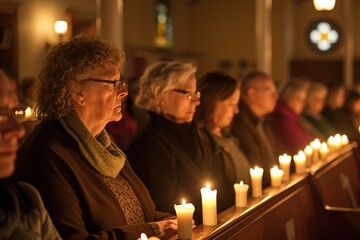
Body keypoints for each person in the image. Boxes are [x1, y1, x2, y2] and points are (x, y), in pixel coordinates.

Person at [14, 35, 176, 239]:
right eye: (113, 83)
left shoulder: (105, 145)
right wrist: (153, 229)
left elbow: (144, 213)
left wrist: (176, 220)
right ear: (77, 91)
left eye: (122, 82)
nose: (124, 92)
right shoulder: (45, 154)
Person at [126, 61, 207, 224]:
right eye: (189, 94)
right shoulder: (150, 145)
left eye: (196, 94)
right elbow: (161, 211)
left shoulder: (187, 134)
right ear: (160, 95)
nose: (196, 102)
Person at [0, 70, 61, 239]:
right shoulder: (45, 150)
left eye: (13, 111)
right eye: (0, 115)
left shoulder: (27, 200)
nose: (18, 131)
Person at [195, 71, 251, 212]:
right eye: (232, 103)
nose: (236, 110)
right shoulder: (200, 142)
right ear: (211, 101)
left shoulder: (230, 138)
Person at [231, 71, 283, 188]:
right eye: (270, 92)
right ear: (252, 93)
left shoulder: (265, 121)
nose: (276, 97)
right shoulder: (238, 123)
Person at [272, 80, 313, 155]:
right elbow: (299, 144)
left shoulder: (293, 117)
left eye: (304, 100)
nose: (303, 104)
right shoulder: (282, 118)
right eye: (299, 99)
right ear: (288, 97)